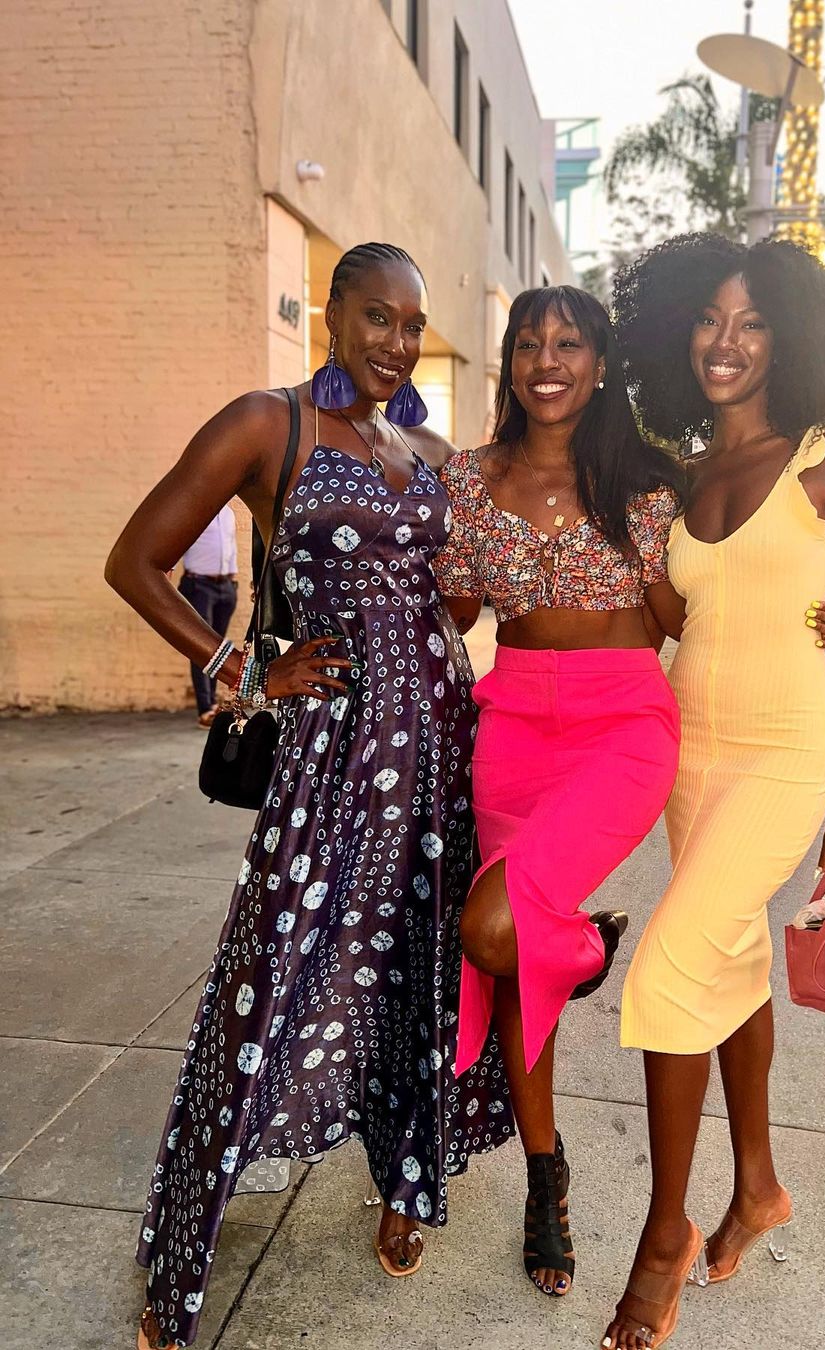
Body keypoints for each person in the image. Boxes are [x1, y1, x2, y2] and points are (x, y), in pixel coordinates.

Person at [105, 243, 512, 1350]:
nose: (396, 342)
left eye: (412, 325)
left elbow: (454, 603)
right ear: (333, 313)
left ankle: (408, 1184)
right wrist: (242, 670)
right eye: (377, 316)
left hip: (441, 744)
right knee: (272, 973)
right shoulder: (268, 423)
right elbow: (134, 561)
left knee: (422, 964)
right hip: (333, 755)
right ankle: (183, 1248)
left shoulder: (429, 451)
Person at [433, 284, 825, 1305]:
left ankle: (589, 943)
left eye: (569, 343)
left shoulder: (646, 478)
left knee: (497, 925)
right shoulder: (467, 480)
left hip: (622, 724)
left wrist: (816, 606)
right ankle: (545, 1175)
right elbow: (452, 607)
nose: (547, 361)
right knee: (509, 951)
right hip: (513, 722)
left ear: (602, 362)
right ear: (508, 362)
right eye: (529, 344)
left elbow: (688, 606)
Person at [601, 236, 825, 1350]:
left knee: (672, 962)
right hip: (693, 748)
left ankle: (662, 1233)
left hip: (786, 746)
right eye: (710, 319)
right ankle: (757, 1185)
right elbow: (680, 621)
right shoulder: (680, 477)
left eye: (753, 321)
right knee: (726, 957)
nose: (727, 341)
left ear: (791, 337)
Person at [177, 505, 238, 725]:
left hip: (225, 586)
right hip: (199, 585)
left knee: (217, 648)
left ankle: (212, 703)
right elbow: (176, 541)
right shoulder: (195, 509)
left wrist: (233, 580)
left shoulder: (228, 513)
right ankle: (205, 709)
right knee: (201, 647)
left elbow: (230, 545)